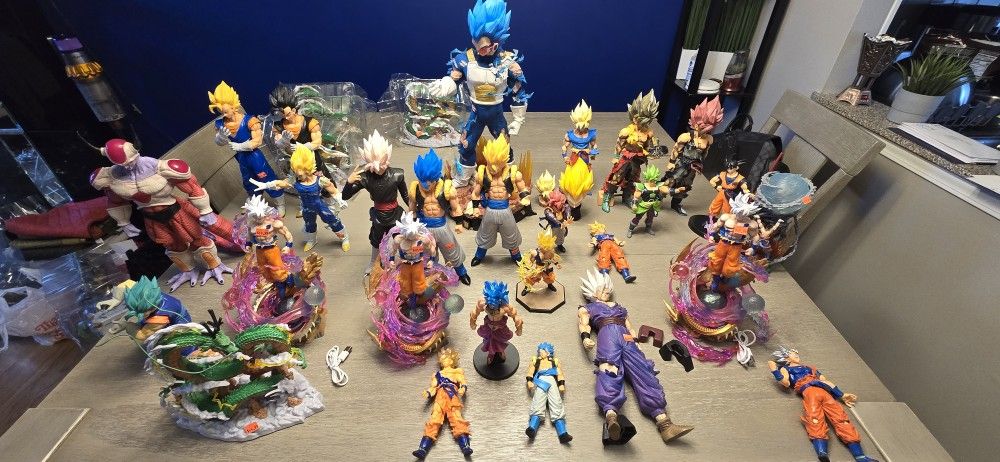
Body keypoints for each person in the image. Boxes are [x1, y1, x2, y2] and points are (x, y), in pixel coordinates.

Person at [90, 139, 235, 292]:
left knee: (196, 238)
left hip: (176, 211)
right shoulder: (112, 176)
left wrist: (206, 210)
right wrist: (124, 222)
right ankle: (188, 270)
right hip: (151, 218)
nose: (128, 166)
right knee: (172, 245)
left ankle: (214, 265)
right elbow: (115, 201)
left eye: (131, 161)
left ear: (135, 152)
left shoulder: (162, 167)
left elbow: (192, 187)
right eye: (123, 164)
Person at [578, 269, 693, 443]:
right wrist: (586, 338)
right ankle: (611, 417)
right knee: (609, 369)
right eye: (603, 288)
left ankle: (664, 423)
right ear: (593, 292)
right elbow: (584, 324)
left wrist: (636, 342)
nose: (607, 291)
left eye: (608, 288)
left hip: (626, 338)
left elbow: (629, 326)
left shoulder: (619, 308)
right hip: (607, 335)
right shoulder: (588, 308)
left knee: (643, 371)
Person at [429, 0, 530, 198]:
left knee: (504, 147)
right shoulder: (464, 59)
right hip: (476, 113)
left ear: (496, 43)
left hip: (496, 113)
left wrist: (518, 118)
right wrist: (446, 85)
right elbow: (454, 78)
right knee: (466, 145)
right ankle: (463, 179)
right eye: (477, 43)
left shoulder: (508, 61)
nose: (480, 49)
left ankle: (509, 177)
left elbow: (518, 89)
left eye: (485, 45)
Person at [768, 347, 879, 462]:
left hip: (825, 392)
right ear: (785, 357)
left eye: (797, 353)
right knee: (814, 419)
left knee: (841, 419)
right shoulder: (785, 369)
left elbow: (824, 380)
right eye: (792, 353)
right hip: (809, 393)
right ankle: (822, 453)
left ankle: (860, 456)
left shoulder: (810, 368)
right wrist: (774, 370)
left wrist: (841, 395)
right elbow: (786, 383)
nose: (796, 354)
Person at [252, 145, 350, 252]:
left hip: (320, 206)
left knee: (332, 221)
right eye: (296, 172)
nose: (298, 175)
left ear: (308, 169)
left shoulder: (320, 180)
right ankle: (311, 240)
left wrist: (340, 200)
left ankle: (344, 238)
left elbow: (333, 190)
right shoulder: (295, 180)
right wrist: (266, 185)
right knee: (309, 224)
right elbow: (282, 183)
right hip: (307, 207)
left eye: (300, 173)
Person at [209, 81, 285, 216]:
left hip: (254, 156)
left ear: (234, 107)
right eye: (221, 112)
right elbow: (220, 142)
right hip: (241, 158)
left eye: (226, 111)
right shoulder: (221, 124)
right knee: (248, 180)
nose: (224, 115)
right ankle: (255, 200)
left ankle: (280, 202)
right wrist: (221, 136)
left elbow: (257, 141)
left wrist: (241, 146)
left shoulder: (250, 121)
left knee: (266, 176)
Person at [341, 130, 409, 274]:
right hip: (379, 215)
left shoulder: (397, 174)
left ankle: (404, 260)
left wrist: (414, 209)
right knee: (376, 239)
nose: (379, 169)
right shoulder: (366, 177)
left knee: (400, 238)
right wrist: (349, 182)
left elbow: (405, 195)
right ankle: (374, 261)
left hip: (395, 213)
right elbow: (345, 196)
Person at [409, 149, 471, 285]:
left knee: (451, 249)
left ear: (435, 178)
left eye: (429, 181)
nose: (426, 185)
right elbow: (412, 210)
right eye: (422, 181)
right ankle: (428, 276)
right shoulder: (415, 189)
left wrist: (459, 223)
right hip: (424, 228)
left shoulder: (446, 188)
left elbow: (456, 207)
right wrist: (411, 226)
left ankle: (461, 271)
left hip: (441, 227)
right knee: (425, 254)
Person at [469, 135, 529, 266]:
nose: (493, 168)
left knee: (511, 234)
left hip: (505, 210)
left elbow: (523, 189)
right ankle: (479, 255)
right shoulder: (483, 174)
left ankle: (517, 256)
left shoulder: (513, 174)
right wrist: (475, 207)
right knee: (484, 234)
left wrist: (525, 198)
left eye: (497, 164)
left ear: (504, 162)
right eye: (490, 163)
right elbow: (475, 193)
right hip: (490, 210)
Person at [662, 96, 723, 216]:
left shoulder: (709, 139)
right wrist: (671, 162)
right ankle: (657, 200)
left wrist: (700, 164)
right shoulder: (686, 137)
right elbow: (676, 149)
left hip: (693, 167)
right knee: (669, 181)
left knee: (686, 185)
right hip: (681, 163)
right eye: (703, 127)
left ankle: (676, 204)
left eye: (709, 128)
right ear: (696, 125)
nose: (706, 130)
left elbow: (705, 153)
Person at [600, 90, 659, 213]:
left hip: (637, 160)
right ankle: (607, 196)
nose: (646, 123)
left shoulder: (648, 132)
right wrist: (616, 157)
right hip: (626, 158)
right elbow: (619, 144)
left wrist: (649, 152)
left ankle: (626, 197)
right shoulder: (626, 131)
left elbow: (648, 146)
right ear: (635, 118)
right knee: (616, 177)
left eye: (648, 121)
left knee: (633, 180)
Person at [412, 348, 473, 459]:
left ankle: (465, 446)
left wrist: (463, 389)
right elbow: (433, 387)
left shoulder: (457, 372)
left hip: (452, 397)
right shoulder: (437, 374)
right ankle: (422, 449)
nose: (445, 360)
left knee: (457, 418)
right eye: (443, 359)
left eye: (447, 358)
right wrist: (428, 393)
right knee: (434, 420)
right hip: (440, 398)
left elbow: (463, 382)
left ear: (452, 360)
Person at [706, 193, 760, 292]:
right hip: (723, 243)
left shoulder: (750, 224)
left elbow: (755, 236)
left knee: (731, 267)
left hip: (736, 246)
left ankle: (725, 278)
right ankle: (716, 279)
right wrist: (711, 235)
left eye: (743, 213)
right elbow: (716, 226)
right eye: (739, 212)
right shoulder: (726, 217)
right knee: (716, 261)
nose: (740, 215)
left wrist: (753, 248)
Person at [524, 342, 572, 443]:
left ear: (547, 352)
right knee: (538, 402)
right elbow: (530, 372)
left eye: (542, 351)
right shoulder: (536, 361)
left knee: (556, 403)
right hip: (541, 381)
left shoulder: (554, 362)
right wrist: (529, 381)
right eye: (539, 351)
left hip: (552, 381)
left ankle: (562, 433)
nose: (540, 353)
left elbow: (559, 373)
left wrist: (561, 384)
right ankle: (532, 428)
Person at [470, 280, 524, 365]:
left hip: (500, 328)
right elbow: (475, 312)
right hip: (488, 326)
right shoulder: (483, 303)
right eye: (490, 306)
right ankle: (491, 354)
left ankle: (500, 351)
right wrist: (472, 322)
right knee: (489, 341)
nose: (492, 309)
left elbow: (516, 316)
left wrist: (519, 328)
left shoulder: (505, 307)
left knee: (500, 341)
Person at [628, 165, 685, 237]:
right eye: (651, 180)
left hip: (653, 205)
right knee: (638, 217)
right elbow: (636, 197)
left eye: (654, 180)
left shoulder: (658, 185)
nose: (653, 182)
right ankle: (630, 229)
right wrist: (634, 204)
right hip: (644, 205)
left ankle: (648, 228)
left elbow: (667, 190)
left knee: (650, 218)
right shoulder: (642, 186)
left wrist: (678, 190)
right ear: (647, 178)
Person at [518, 229, 561, 296]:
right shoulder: (535, 252)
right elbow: (530, 260)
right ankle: (527, 288)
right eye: (544, 247)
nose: (545, 249)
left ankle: (550, 285)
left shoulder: (551, 252)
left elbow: (553, 258)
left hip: (547, 268)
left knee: (549, 277)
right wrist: (528, 266)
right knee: (531, 278)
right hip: (537, 268)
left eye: (547, 248)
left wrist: (557, 264)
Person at [563, 100, 597, 167]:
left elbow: (594, 145)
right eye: (579, 128)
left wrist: (593, 153)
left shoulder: (591, 134)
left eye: (583, 128)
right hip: (574, 156)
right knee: (573, 168)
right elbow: (564, 147)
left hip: (585, 156)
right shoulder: (570, 135)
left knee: (585, 168)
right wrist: (565, 156)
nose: (581, 130)